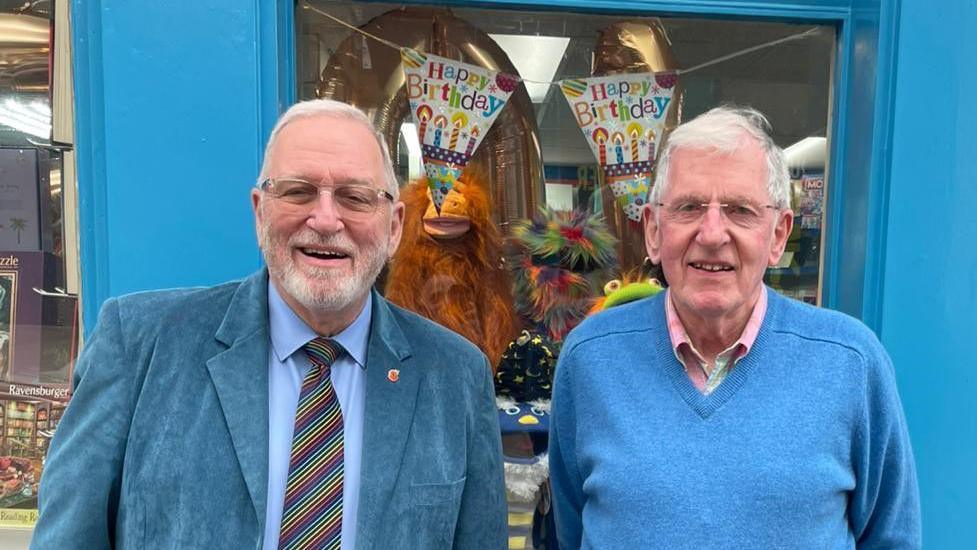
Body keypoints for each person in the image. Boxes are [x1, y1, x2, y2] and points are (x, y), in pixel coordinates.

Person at [31, 99, 507, 549]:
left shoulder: (456, 376)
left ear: (394, 226)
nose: (325, 219)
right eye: (298, 191)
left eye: (355, 197)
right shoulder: (137, 344)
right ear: (260, 211)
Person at [548, 106, 920, 548]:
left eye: (740, 210)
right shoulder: (591, 357)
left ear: (778, 235)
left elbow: (892, 538)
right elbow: (572, 531)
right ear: (652, 230)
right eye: (688, 207)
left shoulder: (851, 362)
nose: (711, 233)